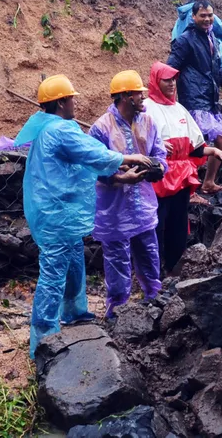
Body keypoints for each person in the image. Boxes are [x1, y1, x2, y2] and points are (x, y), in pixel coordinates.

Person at [15, 74, 152, 357]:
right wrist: (127, 158)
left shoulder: (48, 127)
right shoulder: (60, 130)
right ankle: (43, 339)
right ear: (61, 102)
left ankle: (75, 312)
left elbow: (84, 160)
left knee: (74, 259)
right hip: (56, 214)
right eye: (71, 99)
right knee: (53, 273)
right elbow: (92, 153)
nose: (74, 103)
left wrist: (118, 174)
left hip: (58, 212)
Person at [90, 70, 169, 319]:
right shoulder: (101, 128)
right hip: (114, 208)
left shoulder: (149, 122)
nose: (143, 97)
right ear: (125, 96)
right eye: (138, 93)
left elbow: (160, 154)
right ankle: (117, 309)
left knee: (148, 251)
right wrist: (118, 178)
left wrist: (157, 169)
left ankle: (154, 299)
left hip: (142, 205)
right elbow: (94, 165)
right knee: (117, 259)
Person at [143, 61, 222, 273]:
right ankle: (153, 272)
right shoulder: (145, 109)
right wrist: (154, 145)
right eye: (166, 80)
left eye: (174, 80)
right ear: (156, 81)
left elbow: (196, 147)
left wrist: (214, 151)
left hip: (181, 179)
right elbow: (134, 141)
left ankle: (174, 269)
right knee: (156, 225)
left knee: (178, 224)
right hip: (158, 177)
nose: (172, 84)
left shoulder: (180, 109)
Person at [168, 0, 222, 194]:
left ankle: (207, 182)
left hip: (209, 97)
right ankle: (186, 188)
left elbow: (217, 71)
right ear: (193, 17)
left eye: (210, 15)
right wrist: (168, 98)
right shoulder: (185, 40)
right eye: (202, 16)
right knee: (192, 145)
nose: (207, 19)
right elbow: (170, 68)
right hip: (193, 99)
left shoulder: (211, 37)